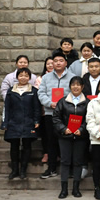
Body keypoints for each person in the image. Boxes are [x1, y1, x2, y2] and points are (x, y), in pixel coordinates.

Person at [38, 51, 76, 179]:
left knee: (68, 140)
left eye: (61, 61)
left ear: (65, 63)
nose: (58, 63)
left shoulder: (72, 77)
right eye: (56, 61)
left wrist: (65, 106)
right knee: (51, 141)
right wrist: (49, 103)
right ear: (52, 63)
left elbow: (75, 93)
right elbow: (41, 93)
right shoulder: (46, 78)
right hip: (50, 113)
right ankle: (51, 168)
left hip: (67, 114)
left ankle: (69, 168)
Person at [53, 76, 90, 199]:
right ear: (70, 87)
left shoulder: (88, 102)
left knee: (78, 162)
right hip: (65, 136)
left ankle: (76, 188)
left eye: (78, 84)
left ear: (82, 87)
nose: (75, 87)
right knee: (65, 162)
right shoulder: (62, 101)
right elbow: (56, 118)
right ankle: (63, 189)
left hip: (80, 137)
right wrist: (64, 129)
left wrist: (81, 129)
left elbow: (89, 119)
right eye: (73, 84)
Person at [2, 68, 41, 180]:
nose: (23, 77)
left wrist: (36, 121)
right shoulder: (10, 91)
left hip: (28, 123)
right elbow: (7, 108)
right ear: (17, 77)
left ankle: (23, 170)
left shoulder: (33, 91)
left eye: (26, 75)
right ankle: (15, 171)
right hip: (13, 123)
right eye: (21, 75)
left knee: (27, 146)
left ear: (29, 78)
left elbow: (36, 108)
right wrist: (5, 123)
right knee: (14, 147)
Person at [35, 57, 54, 163]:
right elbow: (39, 94)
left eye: (52, 63)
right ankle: (46, 153)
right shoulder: (40, 79)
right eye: (48, 64)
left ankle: (56, 154)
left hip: (57, 111)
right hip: (44, 110)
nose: (50, 65)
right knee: (46, 134)